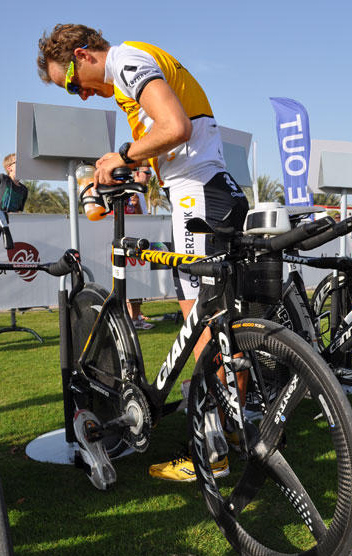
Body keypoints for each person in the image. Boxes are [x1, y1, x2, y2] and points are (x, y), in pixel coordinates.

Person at [37, 24, 249, 481]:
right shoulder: (130, 77)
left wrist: (123, 156)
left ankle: (211, 454)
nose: (80, 95)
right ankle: (233, 436)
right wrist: (135, 163)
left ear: (83, 55)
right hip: (209, 189)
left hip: (197, 195)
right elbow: (171, 138)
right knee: (219, 323)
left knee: (203, 325)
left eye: (71, 83)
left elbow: (176, 127)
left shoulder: (127, 62)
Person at [125, 165, 154, 330]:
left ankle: (135, 317)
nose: (149, 176)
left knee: (137, 281)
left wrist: (136, 206)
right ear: (136, 173)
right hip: (125, 242)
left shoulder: (140, 192)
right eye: (147, 172)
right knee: (128, 281)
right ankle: (132, 317)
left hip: (137, 243)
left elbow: (141, 217)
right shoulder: (127, 189)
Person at [0, 154, 28, 259]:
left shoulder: (24, 190)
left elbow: (19, 211)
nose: (22, 165)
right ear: (9, 168)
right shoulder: (2, 178)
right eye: (18, 162)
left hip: (3, 228)